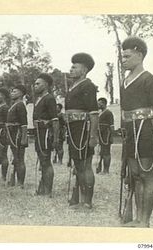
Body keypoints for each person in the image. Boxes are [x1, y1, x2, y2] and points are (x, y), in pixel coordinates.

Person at [120, 37, 153, 227]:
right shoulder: (125, 81)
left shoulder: (149, 79)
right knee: (135, 175)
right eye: (122, 56)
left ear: (140, 55)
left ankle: (145, 220)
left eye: (127, 56)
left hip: (146, 132)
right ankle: (137, 218)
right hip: (130, 131)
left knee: (146, 174)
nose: (123, 60)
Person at [65, 52, 98, 209]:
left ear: (84, 70)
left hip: (83, 129)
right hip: (73, 129)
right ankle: (78, 197)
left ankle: (87, 202)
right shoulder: (72, 87)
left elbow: (94, 113)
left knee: (85, 165)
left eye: (74, 67)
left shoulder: (88, 86)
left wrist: (93, 136)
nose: (71, 69)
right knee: (78, 165)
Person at [32, 73, 59, 197]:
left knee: (46, 161)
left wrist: (56, 138)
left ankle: (48, 191)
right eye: (35, 84)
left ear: (46, 85)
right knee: (42, 161)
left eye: (38, 84)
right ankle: (42, 188)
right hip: (39, 133)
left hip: (46, 133)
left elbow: (55, 120)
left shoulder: (49, 98)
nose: (35, 86)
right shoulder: (38, 99)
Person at [6, 85, 28, 188]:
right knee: (15, 158)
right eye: (12, 91)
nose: (12, 93)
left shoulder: (20, 105)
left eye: (14, 92)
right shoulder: (14, 105)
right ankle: (12, 180)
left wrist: (24, 138)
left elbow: (24, 124)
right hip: (12, 133)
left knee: (19, 159)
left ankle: (20, 183)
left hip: (17, 134)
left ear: (20, 94)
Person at [96, 97, 114, 174]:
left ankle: (106, 170)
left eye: (99, 104)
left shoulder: (108, 113)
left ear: (103, 104)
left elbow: (111, 126)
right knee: (102, 152)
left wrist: (111, 136)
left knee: (106, 152)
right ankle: (100, 168)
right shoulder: (100, 113)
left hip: (106, 135)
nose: (98, 105)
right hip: (101, 135)